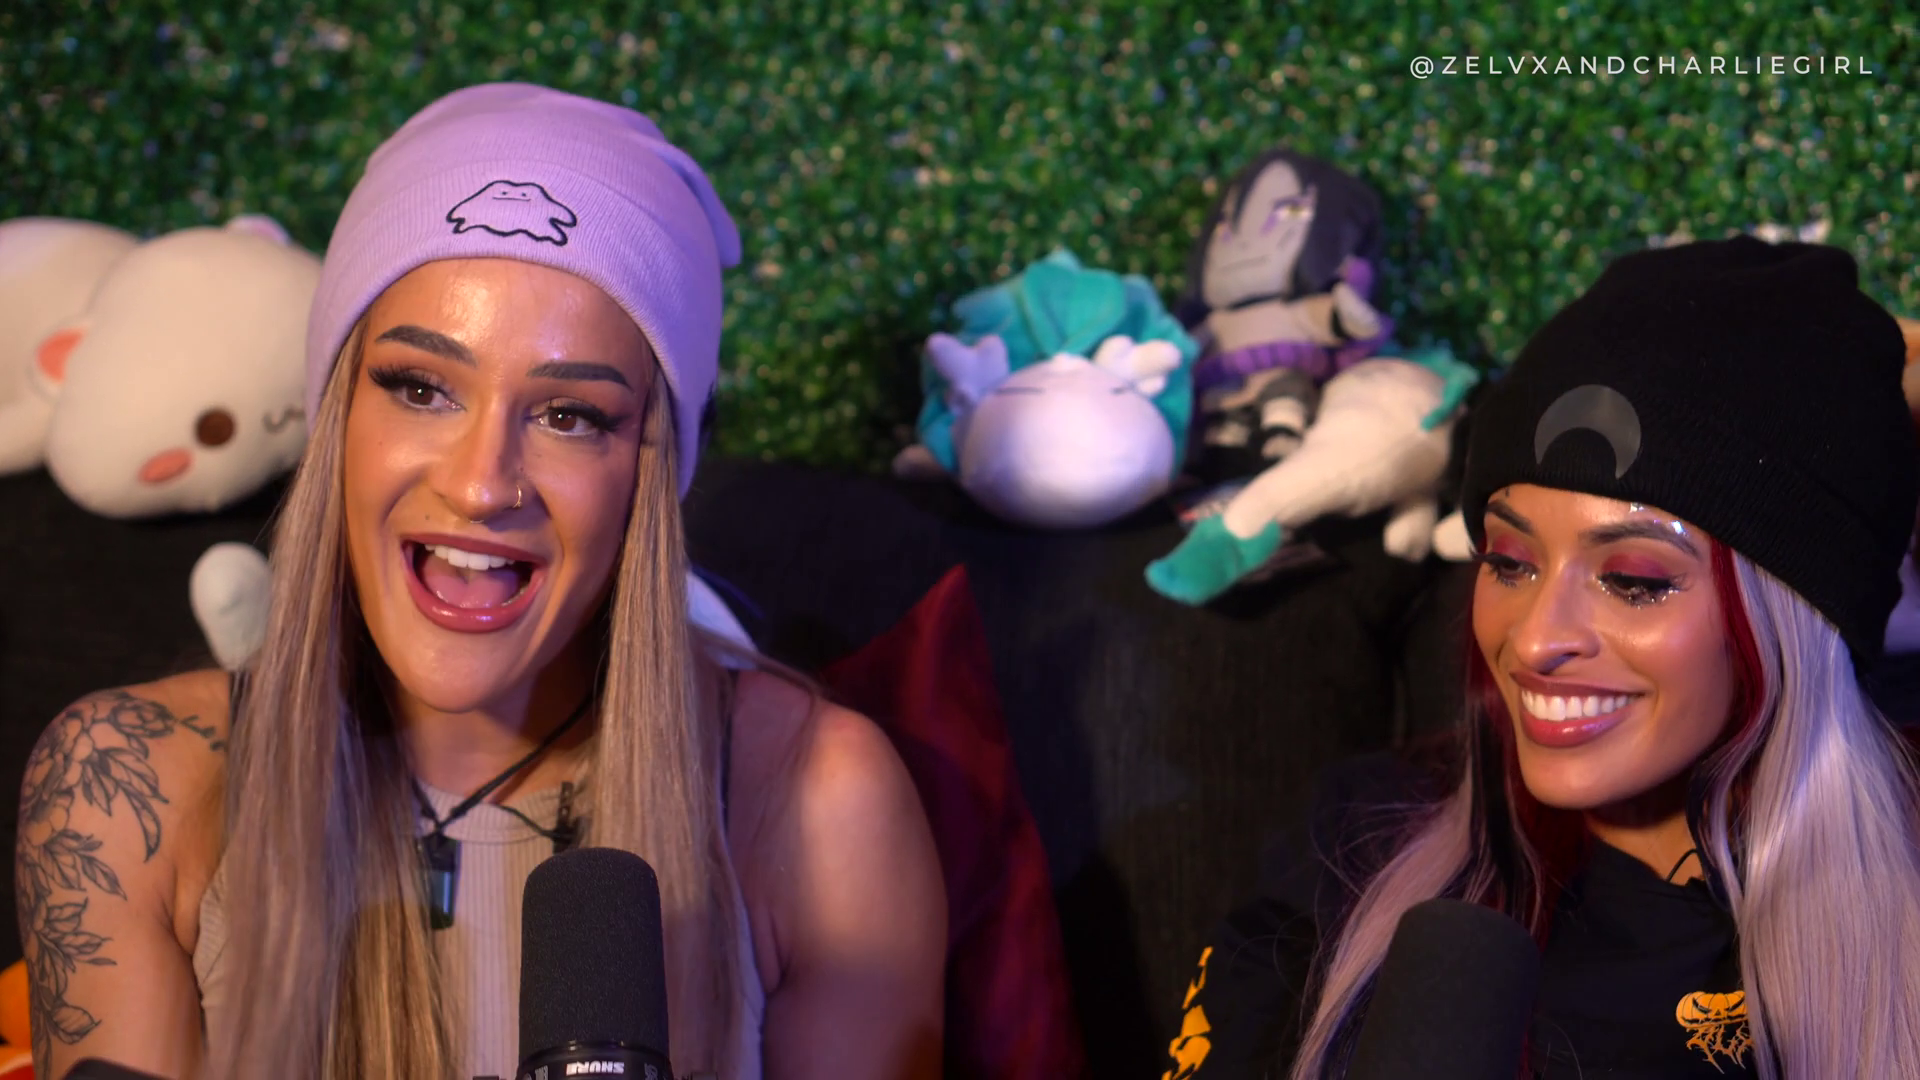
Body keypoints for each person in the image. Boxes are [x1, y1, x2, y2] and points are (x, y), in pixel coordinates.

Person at [14, 83, 947, 1080]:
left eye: (569, 416)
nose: (479, 484)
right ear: (337, 419)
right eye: (421, 388)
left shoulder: (820, 802)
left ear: (656, 471)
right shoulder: (123, 787)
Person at [1161, 236, 1920, 1078]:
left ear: (1797, 625)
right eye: (1510, 562)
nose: (1533, 639)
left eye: (1634, 580)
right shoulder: (1351, 845)